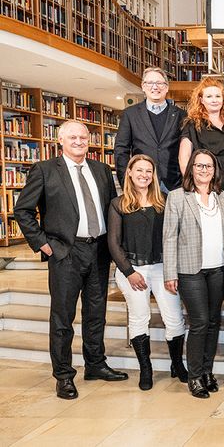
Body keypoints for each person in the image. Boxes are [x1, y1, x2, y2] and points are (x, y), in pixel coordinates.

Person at [15, 120, 127, 400]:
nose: (79, 141)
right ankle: (64, 375)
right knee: (63, 317)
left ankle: (95, 364)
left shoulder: (102, 170)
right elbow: (23, 210)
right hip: (65, 252)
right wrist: (43, 244)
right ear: (61, 140)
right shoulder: (44, 170)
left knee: (96, 313)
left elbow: (112, 210)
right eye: (73, 137)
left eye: (83, 137)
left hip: (99, 251)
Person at [108, 154, 187, 391]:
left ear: (154, 175)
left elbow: (175, 236)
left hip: (163, 267)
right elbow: (113, 242)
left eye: (148, 171)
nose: (144, 175)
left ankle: (177, 364)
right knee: (139, 316)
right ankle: (146, 368)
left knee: (174, 318)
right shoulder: (118, 203)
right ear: (129, 173)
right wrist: (129, 272)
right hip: (131, 268)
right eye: (139, 170)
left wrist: (173, 269)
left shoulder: (165, 201)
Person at [163, 149, 224, 399]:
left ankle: (207, 371)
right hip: (190, 270)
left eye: (209, 166)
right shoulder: (178, 197)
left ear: (215, 170)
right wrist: (170, 272)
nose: (204, 170)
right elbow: (169, 237)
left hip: (218, 269)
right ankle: (194, 376)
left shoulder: (222, 197)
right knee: (200, 322)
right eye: (199, 166)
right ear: (191, 169)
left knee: (213, 322)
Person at [115, 66, 187, 191]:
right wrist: (125, 182)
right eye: (150, 83)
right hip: (142, 183)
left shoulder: (182, 115)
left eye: (159, 83)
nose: (155, 87)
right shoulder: (130, 114)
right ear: (143, 86)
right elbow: (121, 150)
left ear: (166, 87)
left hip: (174, 184)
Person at [178, 77, 224, 201]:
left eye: (218, 96)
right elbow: (184, 156)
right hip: (203, 182)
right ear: (201, 100)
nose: (214, 100)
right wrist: (190, 182)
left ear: (223, 99)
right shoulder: (192, 125)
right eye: (209, 96)